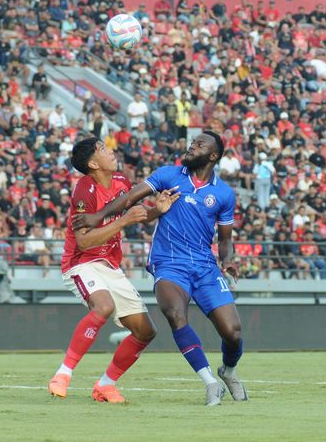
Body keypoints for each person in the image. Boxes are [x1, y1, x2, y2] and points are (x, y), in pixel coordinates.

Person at [73, 131, 247, 406]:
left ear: (213, 156)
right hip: (168, 263)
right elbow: (129, 199)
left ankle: (228, 371)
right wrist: (97, 216)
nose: (192, 146)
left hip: (204, 265)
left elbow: (225, 240)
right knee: (175, 314)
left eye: (200, 144)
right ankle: (210, 382)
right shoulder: (169, 174)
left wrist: (228, 261)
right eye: (192, 142)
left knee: (233, 332)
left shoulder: (224, 193)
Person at [48, 137, 179, 404]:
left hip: (109, 263)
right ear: (93, 163)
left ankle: (105, 385)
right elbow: (84, 241)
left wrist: (157, 210)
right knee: (103, 306)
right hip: (81, 262)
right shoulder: (84, 190)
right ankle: (63, 374)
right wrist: (123, 221)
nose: (111, 152)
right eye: (104, 150)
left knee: (146, 331)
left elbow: (134, 214)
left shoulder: (121, 180)